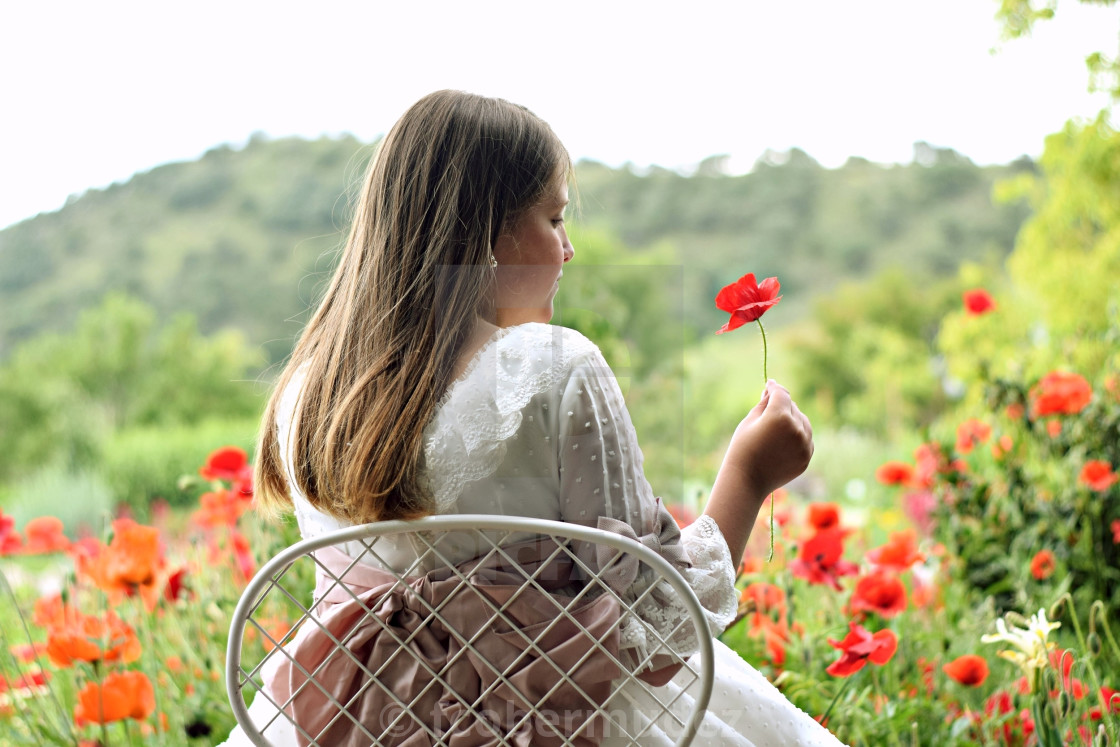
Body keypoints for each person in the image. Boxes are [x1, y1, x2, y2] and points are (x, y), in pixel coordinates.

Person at [223, 90, 845, 746]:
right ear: (489, 232)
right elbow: (656, 641)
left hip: (350, 723)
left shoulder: (308, 393)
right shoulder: (552, 369)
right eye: (554, 219)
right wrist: (749, 474)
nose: (568, 249)